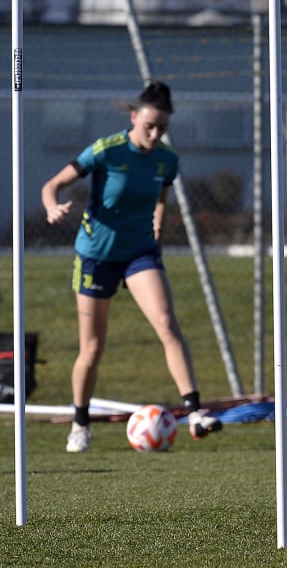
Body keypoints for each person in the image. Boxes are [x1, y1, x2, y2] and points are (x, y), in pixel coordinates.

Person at [42, 81, 222, 453]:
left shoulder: (166, 160)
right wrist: (52, 207)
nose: (155, 135)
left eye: (162, 128)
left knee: (167, 324)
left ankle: (195, 411)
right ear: (134, 117)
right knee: (92, 348)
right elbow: (52, 185)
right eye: (149, 126)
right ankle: (80, 423)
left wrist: (157, 230)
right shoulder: (106, 151)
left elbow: (160, 198)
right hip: (96, 255)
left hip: (139, 253)